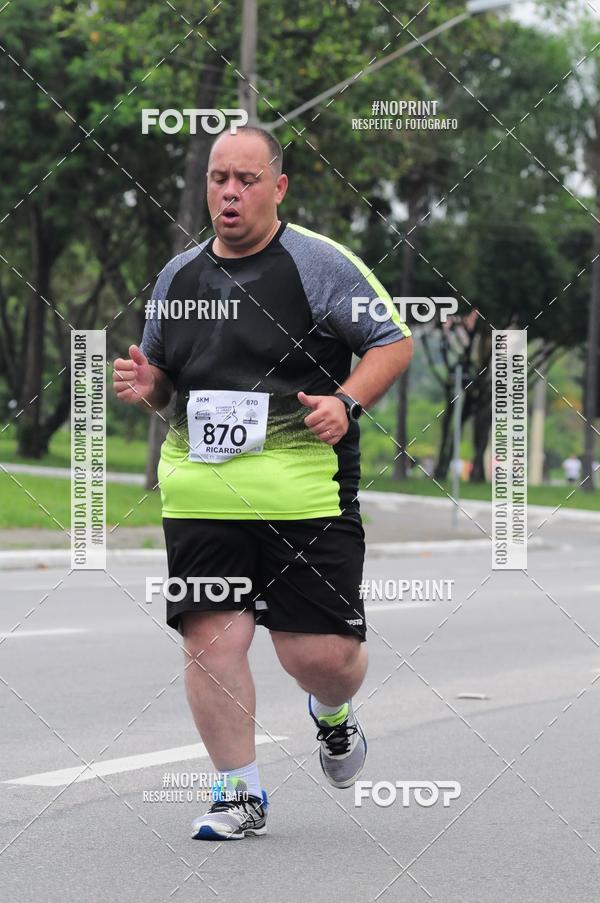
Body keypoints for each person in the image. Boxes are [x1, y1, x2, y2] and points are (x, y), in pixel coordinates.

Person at [113, 126, 413, 841]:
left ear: (278, 188)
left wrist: (345, 403)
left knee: (319, 658)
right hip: (201, 496)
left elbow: (393, 341)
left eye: (247, 179)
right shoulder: (177, 279)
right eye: (220, 178)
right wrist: (148, 386)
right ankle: (238, 793)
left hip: (305, 494)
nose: (229, 192)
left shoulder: (318, 264)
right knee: (210, 643)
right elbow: (165, 386)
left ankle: (332, 712)